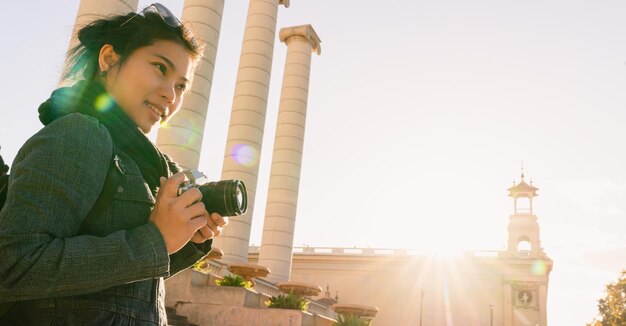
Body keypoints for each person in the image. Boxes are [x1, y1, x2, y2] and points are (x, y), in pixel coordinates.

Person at [0, 3, 228, 325]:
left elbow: (118, 295)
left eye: (181, 86)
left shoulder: (140, 161)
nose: (171, 96)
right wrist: (156, 240)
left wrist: (183, 241)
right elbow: (13, 265)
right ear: (109, 59)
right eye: (160, 68)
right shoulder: (79, 134)